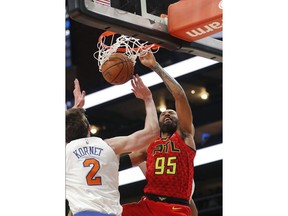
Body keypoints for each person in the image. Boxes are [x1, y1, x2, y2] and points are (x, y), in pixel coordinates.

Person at [66, 75, 160, 216]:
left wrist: (75, 109)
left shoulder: (65, 150)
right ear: (89, 129)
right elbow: (152, 132)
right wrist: (148, 99)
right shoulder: (110, 145)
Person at [121, 52, 197, 216]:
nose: (167, 114)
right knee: (107, 212)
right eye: (163, 113)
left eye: (172, 113)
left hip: (175, 208)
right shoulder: (148, 147)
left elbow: (179, 95)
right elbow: (123, 162)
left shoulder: (184, 136)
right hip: (148, 205)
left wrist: (155, 67)